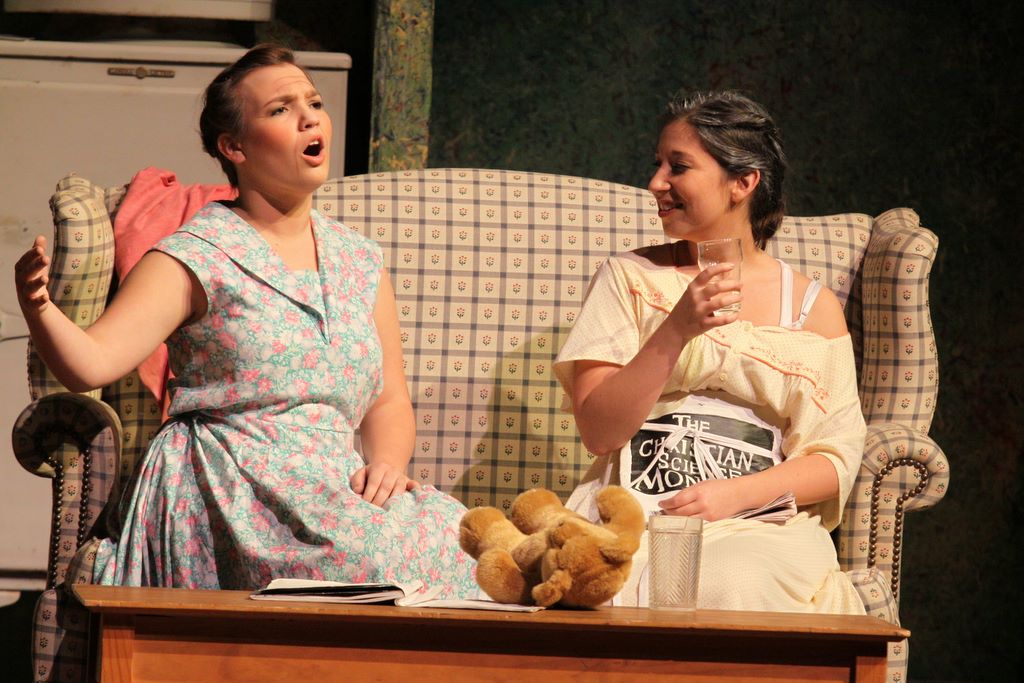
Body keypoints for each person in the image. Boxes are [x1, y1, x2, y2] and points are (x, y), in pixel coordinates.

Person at [13, 44, 477, 596]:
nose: (309, 118)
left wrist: (388, 465)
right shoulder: (197, 254)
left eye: (314, 102)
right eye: (281, 109)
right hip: (235, 485)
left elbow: (388, 399)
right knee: (368, 565)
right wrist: (39, 307)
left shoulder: (359, 260)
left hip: (330, 486)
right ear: (234, 146)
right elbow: (91, 363)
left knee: (465, 546)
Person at [553, 91, 866, 613]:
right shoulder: (629, 278)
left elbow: (835, 460)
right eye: (657, 164)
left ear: (743, 182)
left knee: (734, 579)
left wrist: (736, 494)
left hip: (752, 526)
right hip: (634, 518)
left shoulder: (812, 309)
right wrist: (675, 329)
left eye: (678, 167)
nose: (656, 183)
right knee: (607, 581)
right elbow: (599, 431)